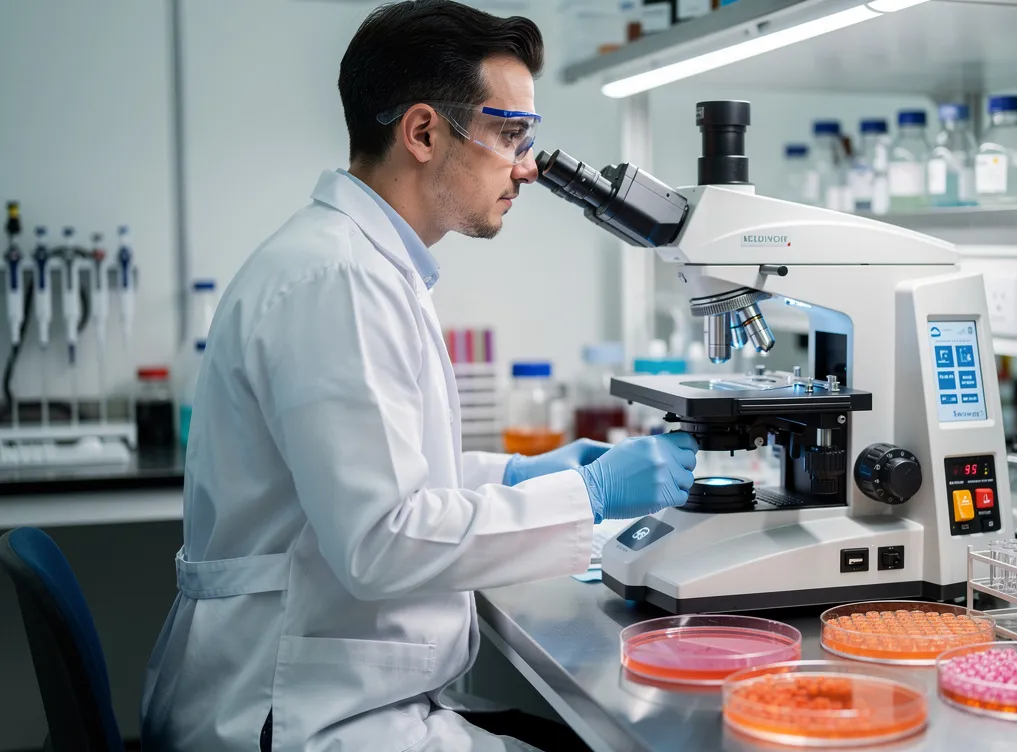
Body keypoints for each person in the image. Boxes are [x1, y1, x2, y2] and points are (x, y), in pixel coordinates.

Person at [139, 3, 699, 750]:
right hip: (296, 714)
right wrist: (589, 494)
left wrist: (526, 473)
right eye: (510, 136)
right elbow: (383, 540)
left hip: (333, 688)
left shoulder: (361, 264)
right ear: (425, 132)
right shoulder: (337, 280)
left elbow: (387, 480)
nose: (527, 166)